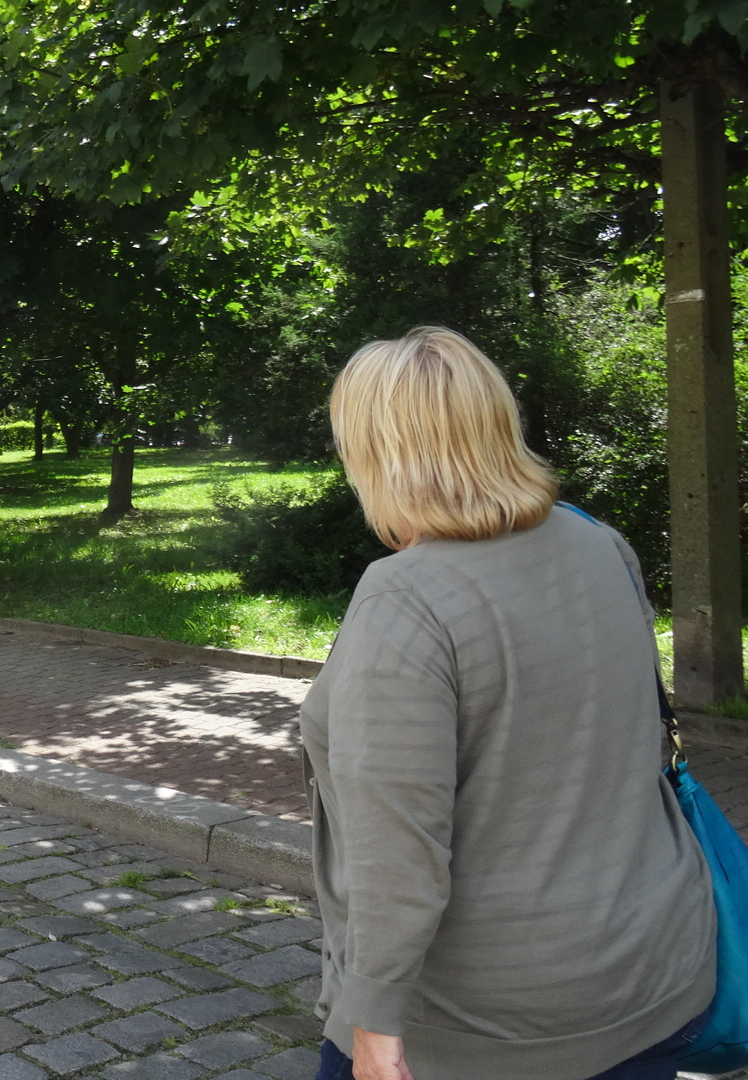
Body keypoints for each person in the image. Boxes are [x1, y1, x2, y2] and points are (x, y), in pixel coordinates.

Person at [302, 328, 714, 1080]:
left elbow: (398, 850)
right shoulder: (599, 543)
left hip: (484, 1027)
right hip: (655, 968)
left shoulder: (404, 597)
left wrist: (374, 1023)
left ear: (372, 451)